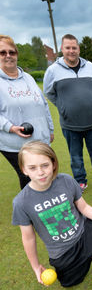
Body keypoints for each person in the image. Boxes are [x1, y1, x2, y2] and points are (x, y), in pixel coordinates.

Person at [12, 141, 92, 290]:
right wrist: (35, 267)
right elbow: (28, 238)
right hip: (62, 251)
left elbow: (84, 207)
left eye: (45, 165)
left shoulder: (66, 180)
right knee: (70, 282)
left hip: (84, 233)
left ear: (53, 163)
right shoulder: (21, 202)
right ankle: (83, 261)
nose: (40, 172)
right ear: (24, 169)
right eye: (33, 168)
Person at [43, 34, 92, 192]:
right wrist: (63, 107)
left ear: (78, 48)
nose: (71, 51)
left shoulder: (91, 67)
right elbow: (49, 93)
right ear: (62, 49)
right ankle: (80, 181)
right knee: (75, 156)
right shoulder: (53, 70)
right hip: (70, 123)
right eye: (68, 48)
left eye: (74, 47)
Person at [0, 34, 54, 189]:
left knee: (45, 176)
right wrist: (9, 127)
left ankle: (45, 207)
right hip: (16, 145)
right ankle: (30, 211)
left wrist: (49, 130)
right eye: (2, 52)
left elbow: (43, 105)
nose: (8, 56)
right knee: (30, 180)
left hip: (41, 140)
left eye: (12, 52)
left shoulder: (28, 78)